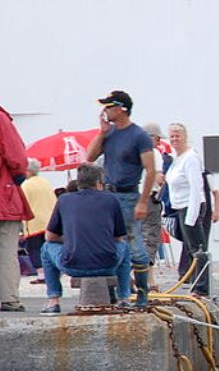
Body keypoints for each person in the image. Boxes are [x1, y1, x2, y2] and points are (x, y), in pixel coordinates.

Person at [86, 90, 155, 306]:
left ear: (121, 109)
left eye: (109, 107)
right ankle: (118, 292)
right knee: (110, 244)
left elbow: (150, 170)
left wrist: (142, 201)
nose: (105, 111)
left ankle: (142, 292)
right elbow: (90, 156)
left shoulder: (139, 136)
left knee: (133, 244)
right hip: (108, 194)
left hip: (128, 195)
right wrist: (102, 132)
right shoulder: (110, 133)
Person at [39, 163, 132, 316]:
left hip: (72, 266)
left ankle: (53, 300)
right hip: (108, 264)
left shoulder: (64, 200)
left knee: (46, 248)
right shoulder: (111, 200)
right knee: (125, 247)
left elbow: (49, 237)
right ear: (98, 182)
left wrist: (70, 240)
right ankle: (124, 297)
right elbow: (118, 237)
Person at [166, 122, 211, 297]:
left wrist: (192, 216)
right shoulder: (177, 159)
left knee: (197, 248)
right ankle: (195, 281)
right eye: (172, 136)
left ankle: (202, 287)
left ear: (185, 137)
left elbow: (196, 187)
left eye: (177, 135)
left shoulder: (190, 158)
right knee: (190, 247)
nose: (174, 139)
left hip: (190, 205)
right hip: (179, 206)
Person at [0, 104, 33, 312]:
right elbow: (17, 157)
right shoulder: (1, 119)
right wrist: (18, 176)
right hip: (3, 194)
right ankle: (8, 297)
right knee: (6, 249)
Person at [20, 158, 58, 283]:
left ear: (28, 170)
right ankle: (53, 272)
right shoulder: (45, 182)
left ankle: (42, 274)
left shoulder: (25, 185)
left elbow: (22, 203)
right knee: (49, 247)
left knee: (34, 248)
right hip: (50, 220)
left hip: (34, 222)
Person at [142, 123, 172, 268]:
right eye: (158, 139)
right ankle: (145, 272)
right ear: (151, 137)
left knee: (135, 236)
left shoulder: (132, 152)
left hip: (132, 198)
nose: (159, 143)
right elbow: (158, 178)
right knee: (151, 235)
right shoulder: (154, 153)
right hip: (149, 199)